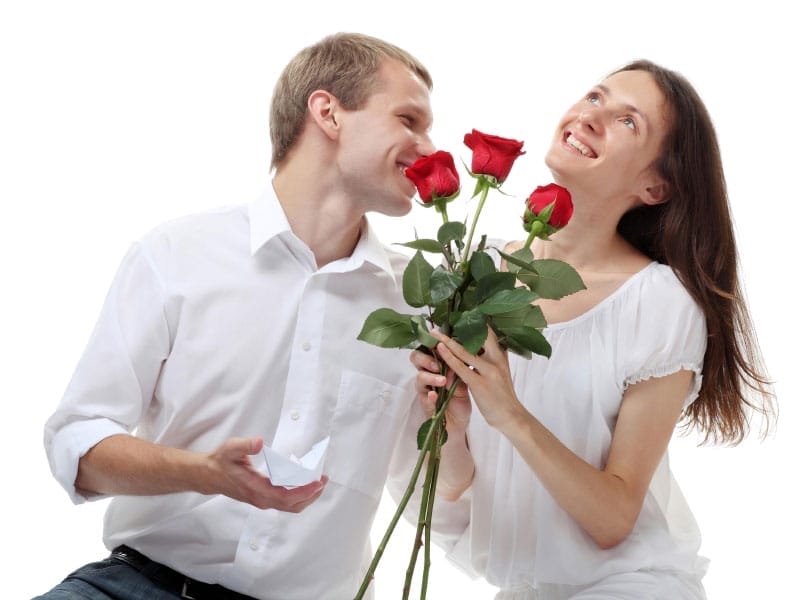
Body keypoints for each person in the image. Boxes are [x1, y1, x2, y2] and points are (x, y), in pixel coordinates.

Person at [39, 32, 435, 600]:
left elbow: (440, 495)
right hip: (136, 586)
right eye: (409, 120)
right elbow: (78, 445)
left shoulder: (416, 300)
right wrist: (205, 472)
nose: (428, 147)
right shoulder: (176, 253)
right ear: (328, 112)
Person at [401, 60, 775, 599]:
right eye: (596, 97)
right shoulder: (469, 271)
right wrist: (454, 426)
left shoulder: (660, 303)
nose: (591, 116)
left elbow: (613, 519)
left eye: (629, 122)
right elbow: (455, 488)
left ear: (655, 186)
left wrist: (510, 415)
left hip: (626, 585)